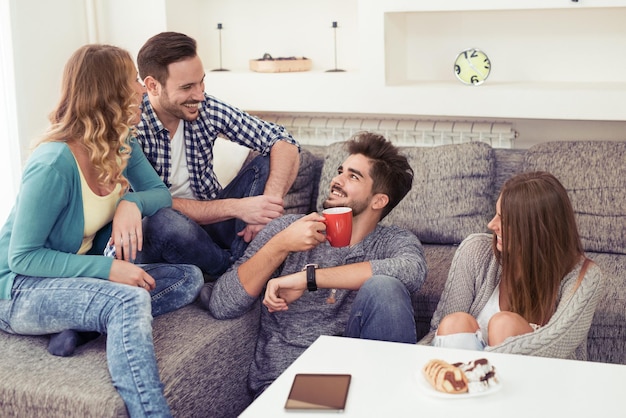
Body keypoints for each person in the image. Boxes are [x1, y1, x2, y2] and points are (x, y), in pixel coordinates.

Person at [0, 44, 204, 417]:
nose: (143, 88)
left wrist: (131, 203)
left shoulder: (122, 142)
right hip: (17, 288)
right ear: (109, 93)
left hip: (69, 280)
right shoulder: (52, 164)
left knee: (187, 279)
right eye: (133, 80)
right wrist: (109, 270)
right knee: (129, 298)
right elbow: (23, 257)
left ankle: (81, 327)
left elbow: (158, 193)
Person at [207, 132, 427, 396]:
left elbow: (411, 272)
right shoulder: (288, 228)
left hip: (361, 383)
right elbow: (222, 304)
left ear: (379, 200)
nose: (337, 180)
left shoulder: (394, 242)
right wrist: (280, 245)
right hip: (291, 383)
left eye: (353, 176)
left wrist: (308, 278)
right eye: (340, 171)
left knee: (386, 288)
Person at [134, 31, 301, 277]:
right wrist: (237, 207)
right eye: (187, 87)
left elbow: (283, 141)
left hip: (216, 223)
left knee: (266, 165)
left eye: (201, 82)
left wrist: (265, 208)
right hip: (170, 233)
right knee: (163, 220)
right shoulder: (133, 125)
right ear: (152, 85)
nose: (200, 95)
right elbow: (149, 203)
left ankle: (235, 267)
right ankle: (236, 269)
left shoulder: (205, 108)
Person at [420, 171, 605, 360]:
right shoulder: (475, 250)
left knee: (504, 324)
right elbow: (438, 332)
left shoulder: (584, 276)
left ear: (536, 230)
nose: (491, 224)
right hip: (470, 378)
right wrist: (407, 363)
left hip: (540, 378)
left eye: (505, 219)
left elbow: (558, 343)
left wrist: (484, 363)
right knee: (454, 323)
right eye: (496, 214)